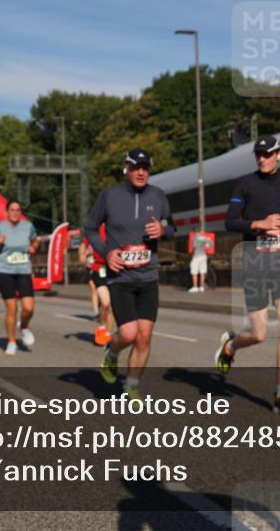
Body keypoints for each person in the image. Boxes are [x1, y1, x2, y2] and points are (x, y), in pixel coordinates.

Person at [215, 135, 280, 416]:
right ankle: (231, 345)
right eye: (258, 155)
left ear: (279, 154)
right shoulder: (246, 183)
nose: (262, 158)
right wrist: (258, 223)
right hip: (254, 264)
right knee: (259, 333)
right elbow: (229, 220)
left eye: (267, 154)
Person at [84, 148, 174, 400]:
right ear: (126, 167)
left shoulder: (158, 195)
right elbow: (90, 228)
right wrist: (106, 252)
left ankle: (131, 386)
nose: (141, 172)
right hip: (120, 277)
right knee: (128, 334)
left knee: (144, 338)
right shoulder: (109, 196)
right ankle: (112, 353)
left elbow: (171, 225)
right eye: (136, 167)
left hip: (148, 276)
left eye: (146, 167)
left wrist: (163, 230)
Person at [0, 201, 39, 355]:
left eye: (18, 210)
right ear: (7, 211)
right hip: (4, 271)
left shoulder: (27, 226)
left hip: (23, 270)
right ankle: (11, 342)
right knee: (12, 309)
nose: (15, 213)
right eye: (12, 210)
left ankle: (24, 326)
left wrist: (33, 247)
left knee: (29, 308)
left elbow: (35, 240)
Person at [79, 224, 114, 346]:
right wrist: (82, 255)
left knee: (112, 307)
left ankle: (108, 335)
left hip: (115, 270)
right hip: (99, 269)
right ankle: (102, 326)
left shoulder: (118, 226)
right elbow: (83, 244)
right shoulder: (96, 227)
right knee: (106, 303)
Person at [189, 229, 211, 293]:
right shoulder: (206, 238)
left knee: (194, 271)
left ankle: (195, 287)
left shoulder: (196, 236)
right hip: (203, 256)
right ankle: (201, 287)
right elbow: (209, 246)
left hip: (196, 256)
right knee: (202, 271)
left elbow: (194, 246)